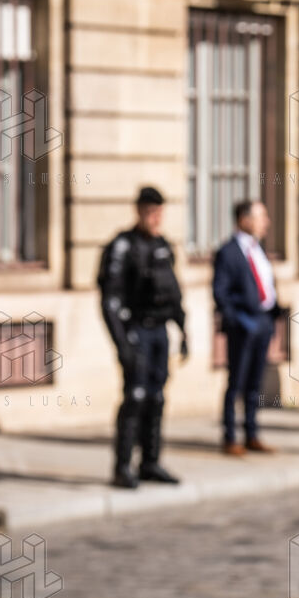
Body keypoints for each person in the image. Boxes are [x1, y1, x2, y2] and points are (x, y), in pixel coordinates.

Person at [97, 186, 188, 489]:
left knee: (157, 397)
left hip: (160, 332)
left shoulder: (163, 246)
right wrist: (122, 343)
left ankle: (150, 461)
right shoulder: (123, 246)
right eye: (150, 212)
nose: (155, 218)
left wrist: (183, 328)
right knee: (135, 397)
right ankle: (123, 466)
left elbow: (173, 291)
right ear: (139, 211)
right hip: (136, 330)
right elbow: (110, 300)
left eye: (159, 212)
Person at [212, 200, 280, 456]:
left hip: (263, 322)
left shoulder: (257, 249)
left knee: (255, 383)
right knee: (236, 383)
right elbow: (220, 292)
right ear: (244, 219)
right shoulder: (228, 252)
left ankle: (252, 433)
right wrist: (237, 321)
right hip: (243, 325)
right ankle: (230, 436)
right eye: (261, 217)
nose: (266, 223)